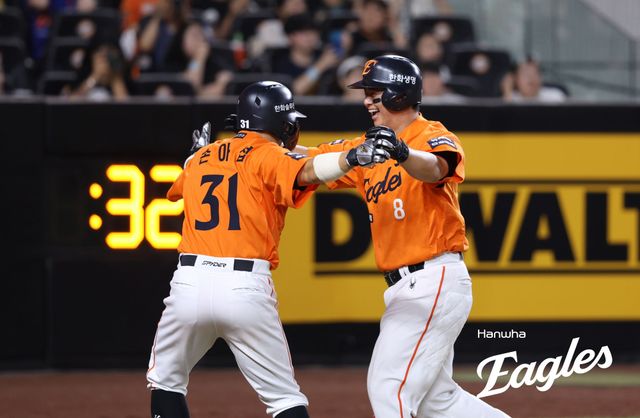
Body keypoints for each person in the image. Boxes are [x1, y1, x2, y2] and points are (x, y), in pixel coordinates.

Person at [146, 81, 389, 418]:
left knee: (165, 381)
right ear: (280, 124)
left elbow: (178, 190)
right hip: (244, 286)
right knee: (283, 398)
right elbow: (307, 171)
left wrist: (194, 158)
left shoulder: (202, 156)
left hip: (189, 282)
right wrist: (351, 157)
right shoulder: (269, 155)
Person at [296, 55, 511, 418]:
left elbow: (436, 167)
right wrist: (254, 147)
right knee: (438, 402)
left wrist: (402, 151)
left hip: (433, 278)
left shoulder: (430, 134)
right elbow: (311, 158)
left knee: (389, 387)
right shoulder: (367, 149)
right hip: (408, 287)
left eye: (374, 92)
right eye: (366, 93)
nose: (367, 100)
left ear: (399, 93)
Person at [502, 57, 567, 103]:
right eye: (526, 74)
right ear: (516, 79)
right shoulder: (510, 99)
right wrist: (507, 90)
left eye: (535, 73)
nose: (531, 78)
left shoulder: (555, 96)